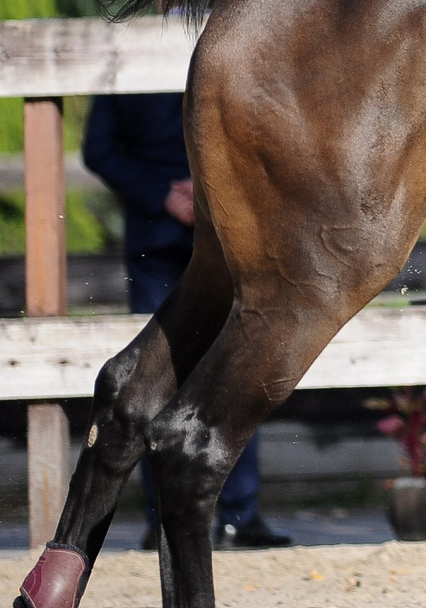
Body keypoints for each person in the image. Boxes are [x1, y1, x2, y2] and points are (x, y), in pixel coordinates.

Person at [83, 93, 292, 550]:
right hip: (214, 230)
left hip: (161, 233)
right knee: (232, 368)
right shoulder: (224, 33)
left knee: (157, 378)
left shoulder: (125, 55)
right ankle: (236, 514)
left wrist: (161, 192)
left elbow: (100, 150)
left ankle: (170, 522)